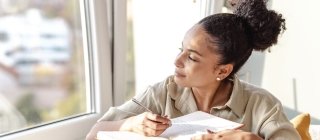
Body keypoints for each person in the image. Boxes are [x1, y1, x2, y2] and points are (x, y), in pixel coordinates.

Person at [86, 0, 301, 139]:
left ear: (223, 71)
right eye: (181, 49)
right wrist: (131, 124)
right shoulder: (162, 93)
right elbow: (94, 134)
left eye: (191, 57)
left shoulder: (261, 105)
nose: (177, 61)